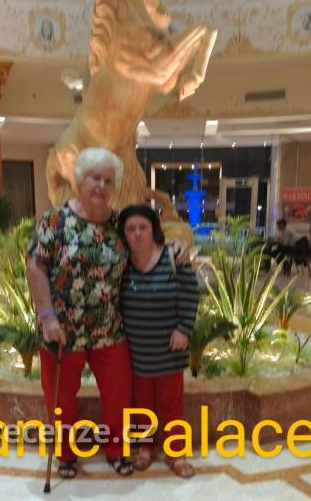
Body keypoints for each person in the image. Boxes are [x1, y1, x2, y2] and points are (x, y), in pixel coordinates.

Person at [26, 148, 134, 478]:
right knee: (60, 398)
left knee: (118, 395)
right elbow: (35, 266)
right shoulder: (55, 221)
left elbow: (150, 247)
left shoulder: (120, 224)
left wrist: (176, 249)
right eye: (94, 178)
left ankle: (117, 450)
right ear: (79, 181)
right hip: (61, 329)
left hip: (109, 328)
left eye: (108, 180)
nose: (101, 186)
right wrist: (46, 316)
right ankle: (66, 455)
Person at [118, 204, 199, 478]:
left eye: (143, 227)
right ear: (124, 234)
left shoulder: (174, 257)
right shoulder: (122, 264)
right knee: (142, 406)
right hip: (137, 352)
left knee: (170, 404)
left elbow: (191, 295)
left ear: (154, 229)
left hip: (169, 351)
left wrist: (184, 329)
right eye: (131, 228)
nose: (137, 233)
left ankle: (175, 453)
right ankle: (146, 448)